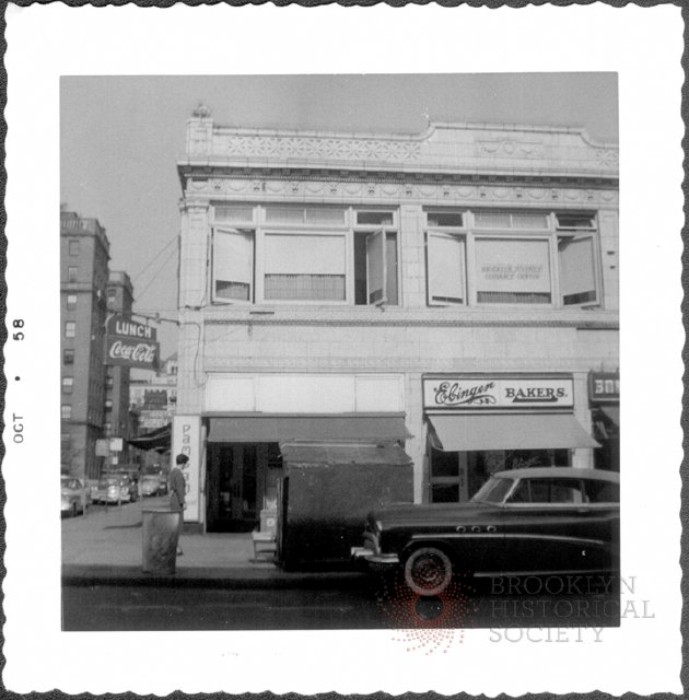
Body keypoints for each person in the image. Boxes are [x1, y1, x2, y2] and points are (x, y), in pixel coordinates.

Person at [169, 454, 188, 555]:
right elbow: (180, 489)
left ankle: (174, 546)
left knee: (173, 524)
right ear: (183, 463)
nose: (186, 465)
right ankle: (175, 547)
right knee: (177, 525)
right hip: (177, 501)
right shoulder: (179, 474)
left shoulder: (173, 472)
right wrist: (183, 502)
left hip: (173, 500)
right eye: (185, 463)